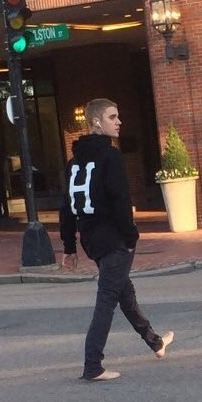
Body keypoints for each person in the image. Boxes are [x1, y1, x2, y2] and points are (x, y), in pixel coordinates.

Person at [59, 98, 173, 381]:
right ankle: (93, 365)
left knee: (123, 291)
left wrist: (70, 247)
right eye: (113, 117)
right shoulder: (110, 157)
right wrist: (132, 236)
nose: (119, 121)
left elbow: (66, 206)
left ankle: (155, 342)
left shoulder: (74, 161)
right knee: (107, 298)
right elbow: (121, 200)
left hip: (92, 240)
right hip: (114, 238)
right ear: (97, 122)